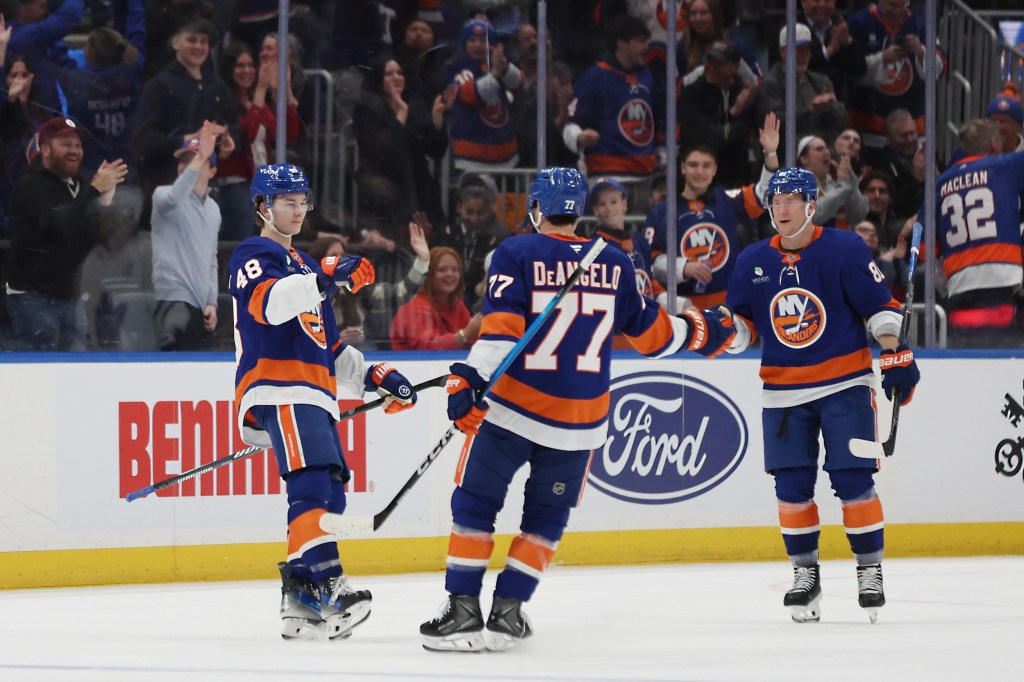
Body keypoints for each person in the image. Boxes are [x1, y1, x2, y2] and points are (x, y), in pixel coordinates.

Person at [418, 166, 735, 652]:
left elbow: (499, 334)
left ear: (537, 208)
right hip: (578, 423)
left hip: (512, 412)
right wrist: (703, 331)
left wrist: (468, 378)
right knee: (546, 518)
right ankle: (508, 611)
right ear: (578, 209)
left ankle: (463, 609)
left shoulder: (517, 251)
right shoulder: (613, 260)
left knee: (474, 503)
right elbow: (652, 337)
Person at [716, 166, 921, 624]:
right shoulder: (752, 260)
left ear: (812, 204)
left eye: (791, 199)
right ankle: (804, 574)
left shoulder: (845, 249)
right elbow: (745, 328)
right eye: (775, 201)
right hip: (783, 393)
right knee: (790, 489)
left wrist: (894, 353)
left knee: (852, 481)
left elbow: (878, 308)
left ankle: (870, 571)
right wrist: (723, 331)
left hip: (845, 386)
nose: (781, 209)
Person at [228, 162, 419, 640]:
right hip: (279, 387)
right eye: (286, 202)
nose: (297, 210)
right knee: (312, 484)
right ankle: (332, 589)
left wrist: (377, 374)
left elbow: (326, 346)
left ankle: (300, 597)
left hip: (314, 391)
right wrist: (325, 278)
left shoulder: (308, 268)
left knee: (330, 493)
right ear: (261, 206)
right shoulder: (252, 253)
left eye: (301, 201)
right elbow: (269, 306)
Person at [5, 116, 127, 350]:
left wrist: (103, 203)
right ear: (45, 149)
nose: (74, 150)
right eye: (65, 143)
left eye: (78, 145)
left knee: (77, 375)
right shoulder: (30, 185)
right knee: (39, 376)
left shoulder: (80, 185)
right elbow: (59, 223)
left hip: (73, 298)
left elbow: (94, 241)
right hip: (33, 299)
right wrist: (93, 191)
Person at [647, 114, 780, 311]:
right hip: (684, 310)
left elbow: (764, 195)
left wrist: (770, 154)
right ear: (683, 168)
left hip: (727, 308)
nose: (699, 171)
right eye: (693, 165)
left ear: (715, 169)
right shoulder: (661, 213)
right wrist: (683, 267)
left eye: (706, 165)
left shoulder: (727, 201)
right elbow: (652, 264)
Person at [926, 119, 1024, 348]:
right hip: (998, 277)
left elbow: (928, 237)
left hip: (958, 283)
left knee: (963, 359)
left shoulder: (941, 183)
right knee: (995, 361)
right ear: (992, 144)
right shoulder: (1003, 165)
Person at [134, 19, 240, 197]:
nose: (198, 46)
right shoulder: (159, 85)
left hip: (208, 188)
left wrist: (227, 141)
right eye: (192, 40)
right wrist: (187, 139)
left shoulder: (216, 85)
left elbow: (236, 129)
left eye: (203, 41)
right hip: (168, 186)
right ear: (175, 43)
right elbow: (144, 140)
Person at [352, 53, 449, 240]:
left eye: (399, 73)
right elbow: (382, 150)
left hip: (419, 189)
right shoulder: (369, 108)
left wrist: (437, 118)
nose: (397, 77)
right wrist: (400, 115)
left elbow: (435, 150)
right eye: (389, 74)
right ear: (379, 79)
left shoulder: (414, 105)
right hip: (385, 192)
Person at [216, 41, 301, 241]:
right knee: (245, 244)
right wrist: (261, 89)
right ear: (229, 69)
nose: (247, 71)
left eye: (249, 65)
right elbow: (247, 136)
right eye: (240, 66)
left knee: (264, 245)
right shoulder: (224, 100)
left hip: (263, 186)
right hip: (237, 184)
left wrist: (285, 89)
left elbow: (289, 134)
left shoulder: (258, 100)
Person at [562, 15, 661, 181]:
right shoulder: (594, 77)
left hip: (647, 175)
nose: (646, 47)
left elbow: (655, 121)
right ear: (621, 43)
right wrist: (579, 136)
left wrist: (662, 156)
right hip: (607, 176)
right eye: (640, 41)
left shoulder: (647, 75)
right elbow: (570, 123)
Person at [151, 123, 222, 351]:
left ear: (212, 171)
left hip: (201, 307)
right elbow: (174, 198)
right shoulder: (163, 195)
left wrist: (212, 301)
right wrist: (201, 157)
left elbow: (211, 258)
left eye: (195, 160)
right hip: (171, 302)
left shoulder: (213, 209)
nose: (187, 166)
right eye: (184, 160)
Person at [58, 0, 146, 183]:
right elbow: (138, 32)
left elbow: (53, 45)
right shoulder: (132, 71)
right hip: (127, 172)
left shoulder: (75, 79)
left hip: (90, 175)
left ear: (88, 53)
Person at [846, 0, 945, 150]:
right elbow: (849, 71)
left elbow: (941, 68)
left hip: (913, 129)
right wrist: (882, 59)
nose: (898, 11)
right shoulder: (859, 22)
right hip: (867, 128)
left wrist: (921, 51)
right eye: (893, 5)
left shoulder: (921, 24)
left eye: (903, 5)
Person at [678, 40, 759, 188]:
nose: (711, 67)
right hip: (700, 182)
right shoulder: (691, 94)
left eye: (719, 64)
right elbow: (699, 135)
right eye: (709, 61)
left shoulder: (745, 94)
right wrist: (733, 112)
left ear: (736, 67)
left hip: (738, 180)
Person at [445, 18, 522, 171]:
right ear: (464, 43)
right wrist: (495, 74)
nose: (478, 45)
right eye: (472, 40)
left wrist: (503, 64)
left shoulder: (497, 64)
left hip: (506, 155)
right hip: (471, 157)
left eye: (483, 40)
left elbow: (517, 82)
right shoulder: (457, 68)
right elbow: (471, 95)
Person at [758, 23, 847, 150]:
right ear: (783, 51)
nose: (805, 55)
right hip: (785, 156)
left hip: (818, 155)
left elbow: (841, 120)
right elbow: (774, 124)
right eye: (799, 50)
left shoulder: (821, 81)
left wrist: (829, 108)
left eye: (807, 50)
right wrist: (810, 110)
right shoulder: (770, 84)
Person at [431, 175, 513, 312]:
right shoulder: (444, 234)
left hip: (482, 307)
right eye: (469, 212)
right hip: (445, 303)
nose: (474, 219)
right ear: (459, 207)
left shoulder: (501, 237)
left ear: (490, 210)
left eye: (480, 213)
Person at [389, 246, 482, 350]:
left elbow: (477, 342)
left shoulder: (456, 304)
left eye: (455, 270)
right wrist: (465, 335)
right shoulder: (416, 308)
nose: (450, 274)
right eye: (442, 270)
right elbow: (428, 347)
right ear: (429, 275)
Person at [861, 109, 926, 221]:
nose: (910, 139)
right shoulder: (881, 166)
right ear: (889, 139)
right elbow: (893, 205)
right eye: (903, 136)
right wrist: (915, 180)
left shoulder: (926, 156)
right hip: (900, 223)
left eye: (913, 133)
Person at [796, 134, 868, 230]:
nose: (827, 152)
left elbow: (859, 216)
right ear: (804, 159)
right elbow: (815, 216)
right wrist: (844, 186)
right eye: (819, 149)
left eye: (827, 149)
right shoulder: (796, 183)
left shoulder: (836, 184)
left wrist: (850, 178)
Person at [986, 85, 1024, 154]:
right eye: (993, 120)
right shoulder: (978, 154)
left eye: (1003, 121)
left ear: (1018, 126)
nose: (997, 125)